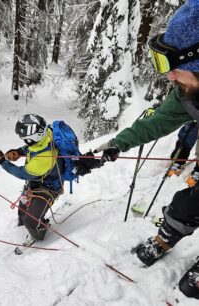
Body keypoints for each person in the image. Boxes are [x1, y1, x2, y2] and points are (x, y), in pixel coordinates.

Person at [95, 0, 199, 299]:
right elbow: (158, 122)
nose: (168, 76)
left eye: (172, 66)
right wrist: (117, 144)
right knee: (188, 203)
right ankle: (168, 235)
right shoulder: (188, 92)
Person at [0, 114, 102, 252]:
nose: (24, 140)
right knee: (22, 209)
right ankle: (24, 222)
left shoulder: (43, 160)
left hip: (49, 187)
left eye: (25, 138)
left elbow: (22, 173)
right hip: (38, 181)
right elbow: (33, 147)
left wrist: (3, 163)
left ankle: (38, 232)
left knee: (30, 220)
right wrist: (18, 151)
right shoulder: (47, 133)